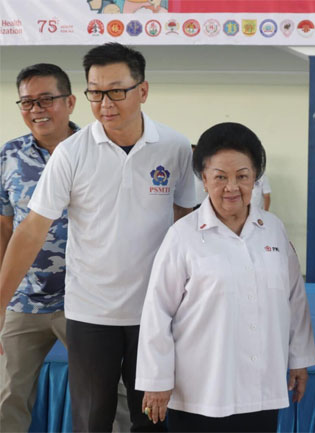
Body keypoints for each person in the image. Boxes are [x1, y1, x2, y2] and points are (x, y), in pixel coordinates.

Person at [0, 42, 195, 432]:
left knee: (150, 420)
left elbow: (186, 221)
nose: (105, 103)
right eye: (96, 92)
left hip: (154, 312)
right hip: (89, 313)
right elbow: (31, 230)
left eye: (117, 91)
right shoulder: (71, 153)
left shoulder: (174, 147)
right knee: (91, 421)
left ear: (143, 90)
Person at [136, 122, 315, 432]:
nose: (232, 187)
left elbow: (294, 299)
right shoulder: (183, 235)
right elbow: (158, 311)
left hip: (261, 388)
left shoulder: (273, 229)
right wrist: (157, 380)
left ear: (255, 179)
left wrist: (299, 359)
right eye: (220, 177)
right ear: (204, 179)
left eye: (242, 176)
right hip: (200, 391)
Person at [0, 63, 77, 432]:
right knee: (7, 398)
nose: (36, 109)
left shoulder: (93, 151)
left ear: (70, 102)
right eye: (27, 102)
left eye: (46, 99)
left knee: (107, 394)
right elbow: (4, 226)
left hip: (83, 300)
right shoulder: (9, 155)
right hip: (22, 300)